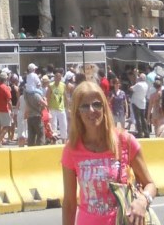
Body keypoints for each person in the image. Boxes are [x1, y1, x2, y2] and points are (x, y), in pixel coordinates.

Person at [62, 80, 157, 225]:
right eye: (85, 106)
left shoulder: (126, 141)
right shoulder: (71, 149)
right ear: (77, 112)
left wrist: (143, 200)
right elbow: (69, 203)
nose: (91, 110)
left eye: (96, 104)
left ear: (105, 107)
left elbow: (150, 184)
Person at [0, 71, 13, 147]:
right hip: (4, 109)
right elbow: (9, 101)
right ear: (5, 79)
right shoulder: (5, 88)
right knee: (7, 126)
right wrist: (12, 110)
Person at [129, 73, 149, 139]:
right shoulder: (146, 85)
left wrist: (136, 82)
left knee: (138, 119)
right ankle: (146, 132)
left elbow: (131, 88)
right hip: (142, 102)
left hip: (136, 102)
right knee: (143, 118)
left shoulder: (138, 84)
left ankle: (140, 133)